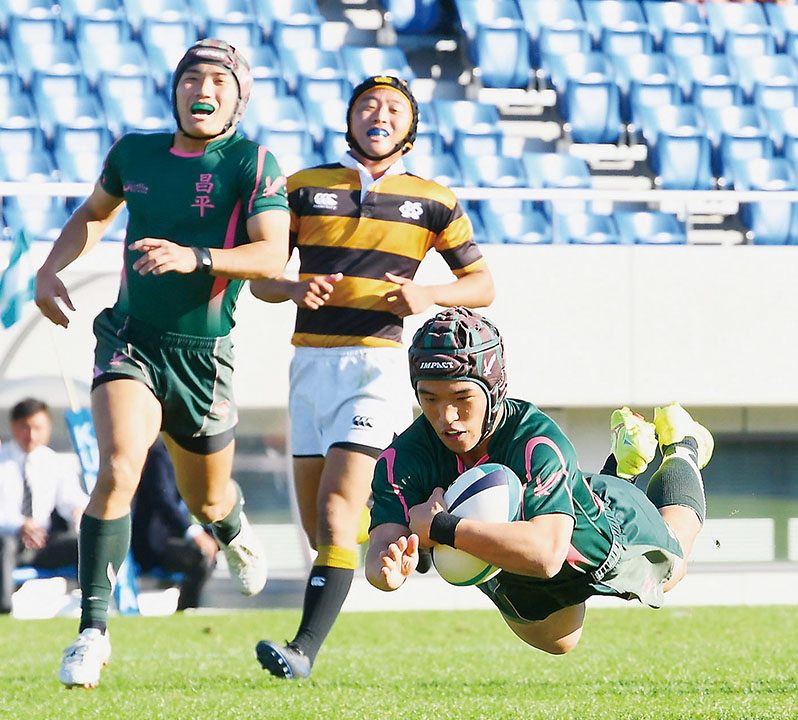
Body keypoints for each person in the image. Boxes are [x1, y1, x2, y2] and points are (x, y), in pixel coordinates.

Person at [34, 39, 290, 688]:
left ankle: (232, 529)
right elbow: (94, 215)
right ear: (174, 90)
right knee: (119, 466)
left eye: (219, 81)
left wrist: (196, 258)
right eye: (191, 79)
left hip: (204, 360)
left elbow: (271, 256)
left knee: (206, 498)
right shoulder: (133, 153)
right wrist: (49, 268)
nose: (203, 90)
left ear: (239, 98)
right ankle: (92, 633)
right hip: (131, 338)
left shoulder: (253, 163)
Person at [250, 76, 495, 679]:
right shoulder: (303, 187)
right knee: (321, 529)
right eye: (367, 105)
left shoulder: (433, 199)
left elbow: (482, 285)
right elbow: (261, 279)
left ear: (409, 129)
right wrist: (292, 288)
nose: (378, 115)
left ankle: (302, 651)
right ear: (350, 119)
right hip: (308, 367)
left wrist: (427, 295)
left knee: (336, 511)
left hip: (376, 366)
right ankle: (411, 520)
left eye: (392, 109)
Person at [365, 307, 714, 656]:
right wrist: (388, 571)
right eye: (429, 399)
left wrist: (442, 527)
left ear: (493, 389)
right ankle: (623, 462)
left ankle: (681, 446)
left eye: (462, 398)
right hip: (514, 575)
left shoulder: (536, 440)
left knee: (674, 569)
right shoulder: (402, 458)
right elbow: (383, 549)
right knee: (561, 642)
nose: (446, 417)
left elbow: (547, 554)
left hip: (606, 538)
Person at [0, 398, 89, 614]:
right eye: (25, 428)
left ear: (47, 428)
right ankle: (3, 609)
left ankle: (92, 605)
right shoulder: (3, 461)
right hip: (10, 540)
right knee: (5, 546)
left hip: (43, 542)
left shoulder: (53, 462)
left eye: (37, 428)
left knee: (85, 543)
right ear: (13, 427)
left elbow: (72, 499)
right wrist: (20, 524)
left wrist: (79, 510)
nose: (31, 435)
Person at [131, 439, 219, 611]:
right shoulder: (159, 455)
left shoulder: (190, 456)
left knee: (219, 543)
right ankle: (187, 610)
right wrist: (193, 532)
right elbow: (163, 501)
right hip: (155, 544)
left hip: (178, 537)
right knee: (200, 556)